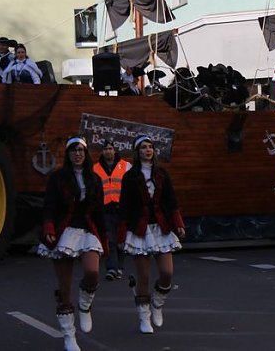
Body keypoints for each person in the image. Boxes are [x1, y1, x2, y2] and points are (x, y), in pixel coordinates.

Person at [37, 136, 107, 351]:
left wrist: (105, 239)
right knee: (64, 288)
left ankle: (85, 305)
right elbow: (49, 207)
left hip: (87, 231)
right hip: (64, 232)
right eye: (73, 150)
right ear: (68, 154)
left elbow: (99, 212)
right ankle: (69, 335)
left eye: (81, 151)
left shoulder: (94, 179)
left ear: (86, 154)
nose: (78, 154)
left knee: (92, 272)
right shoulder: (58, 178)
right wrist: (49, 228)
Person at [119, 135, 185, 334]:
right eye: (144, 147)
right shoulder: (130, 177)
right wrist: (122, 236)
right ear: (137, 152)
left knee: (167, 273)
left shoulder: (162, 174)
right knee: (144, 276)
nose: (148, 150)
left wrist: (178, 224)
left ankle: (157, 302)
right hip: (139, 229)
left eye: (150, 147)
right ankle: (144, 317)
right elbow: (124, 207)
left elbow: (171, 201)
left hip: (161, 227)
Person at [92, 140, 131, 281]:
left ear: (114, 150)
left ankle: (119, 267)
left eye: (110, 148)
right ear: (102, 151)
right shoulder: (95, 168)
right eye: (106, 149)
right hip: (104, 208)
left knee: (121, 239)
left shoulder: (126, 166)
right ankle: (111, 268)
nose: (108, 151)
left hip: (122, 208)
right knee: (109, 239)